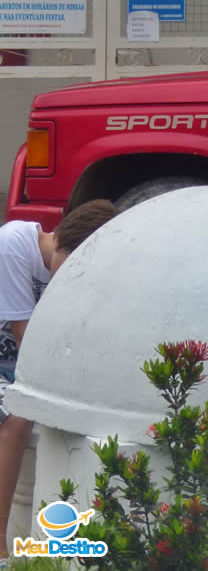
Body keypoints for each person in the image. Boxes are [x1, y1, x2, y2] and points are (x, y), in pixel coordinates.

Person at [0, 199, 117, 559]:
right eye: (73, 266)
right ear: (63, 238)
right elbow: (30, 344)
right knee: (17, 418)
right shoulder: (13, 244)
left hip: (12, 369)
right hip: (15, 366)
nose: (71, 280)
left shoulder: (71, 272)